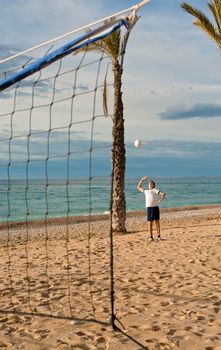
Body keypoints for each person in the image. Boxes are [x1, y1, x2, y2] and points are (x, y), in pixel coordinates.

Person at [137, 176, 166, 241]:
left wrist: (160, 199)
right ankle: (151, 236)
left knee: (157, 222)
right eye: (149, 183)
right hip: (149, 209)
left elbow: (163, 194)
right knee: (150, 223)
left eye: (151, 183)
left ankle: (158, 236)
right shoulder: (146, 191)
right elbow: (138, 187)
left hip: (155, 208)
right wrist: (142, 180)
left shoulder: (154, 190)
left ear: (153, 185)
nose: (149, 184)